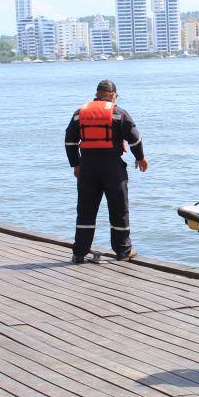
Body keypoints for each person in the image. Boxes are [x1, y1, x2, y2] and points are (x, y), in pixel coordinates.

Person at [64, 79, 147, 262]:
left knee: (85, 211)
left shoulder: (79, 113)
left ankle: (79, 253)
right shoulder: (118, 113)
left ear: (97, 94)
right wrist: (140, 158)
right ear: (112, 95)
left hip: (87, 168)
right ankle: (123, 251)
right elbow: (134, 138)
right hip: (112, 168)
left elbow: (69, 141)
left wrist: (76, 164)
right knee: (119, 210)